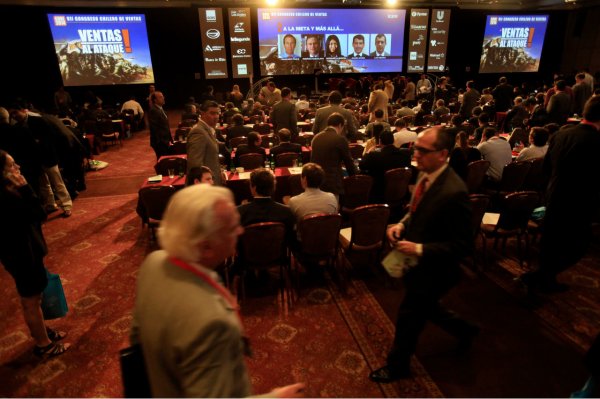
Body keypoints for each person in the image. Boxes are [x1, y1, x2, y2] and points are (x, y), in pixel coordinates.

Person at [130, 184, 304, 397]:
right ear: (205, 247)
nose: (240, 231)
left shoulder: (153, 263)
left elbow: (137, 339)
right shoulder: (211, 323)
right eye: (231, 228)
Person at [369, 127, 476, 383]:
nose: (414, 154)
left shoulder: (454, 192)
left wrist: (418, 249)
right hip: (418, 261)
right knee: (427, 309)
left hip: (436, 269)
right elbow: (416, 210)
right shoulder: (427, 173)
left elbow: (463, 245)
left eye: (421, 150)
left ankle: (398, 366)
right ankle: (466, 330)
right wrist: (402, 224)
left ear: (442, 154)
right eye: (415, 147)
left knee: (408, 317)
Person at [519, 96, 600, 294]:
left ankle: (542, 277)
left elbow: (546, 169)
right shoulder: (596, 141)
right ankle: (543, 277)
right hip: (579, 203)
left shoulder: (560, 135)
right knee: (576, 245)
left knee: (551, 243)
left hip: (554, 195)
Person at [0, 150, 70, 358]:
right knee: (31, 300)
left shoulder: (6, 190)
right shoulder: (5, 197)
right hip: (22, 255)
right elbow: (39, 214)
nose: (18, 168)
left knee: (35, 298)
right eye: (12, 165)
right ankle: (43, 345)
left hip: (23, 252)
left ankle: (42, 331)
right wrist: (25, 188)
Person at [9, 101, 73, 217]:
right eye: (11, 114)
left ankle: (67, 205)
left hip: (48, 156)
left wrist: (38, 143)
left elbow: (51, 138)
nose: (14, 116)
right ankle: (51, 204)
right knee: (44, 185)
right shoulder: (16, 127)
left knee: (57, 182)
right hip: (34, 160)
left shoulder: (39, 120)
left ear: (23, 110)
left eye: (15, 112)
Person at [237, 168, 296, 242]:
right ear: (273, 187)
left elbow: (237, 242)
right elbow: (291, 240)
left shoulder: (239, 212)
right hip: (278, 253)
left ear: (254, 188)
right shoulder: (286, 211)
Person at [310, 113, 357, 200]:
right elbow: (348, 162)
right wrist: (355, 176)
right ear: (340, 125)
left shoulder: (316, 137)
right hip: (332, 183)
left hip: (316, 181)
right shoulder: (340, 139)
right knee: (333, 210)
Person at [359, 130, 411, 203]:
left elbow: (361, 165)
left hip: (379, 195)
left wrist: (368, 152)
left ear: (380, 142)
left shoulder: (374, 156)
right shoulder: (406, 153)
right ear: (393, 141)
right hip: (401, 192)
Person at [187, 101, 223, 186]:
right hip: (204, 187)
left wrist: (219, 172)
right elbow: (195, 166)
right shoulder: (198, 132)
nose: (216, 117)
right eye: (212, 113)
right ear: (202, 114)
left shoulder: (208, 130)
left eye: (217, 113)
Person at [148, 91, 173, 160]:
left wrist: (170, 139)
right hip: (160, 142)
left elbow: (165, 127)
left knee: (165, 160)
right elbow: (154, 128)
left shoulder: (161, 109)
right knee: (163, 161)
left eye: (163, 96)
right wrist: (161, 142)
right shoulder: (154, 110)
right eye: (161, 97)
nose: (163, 98)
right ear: (155, 100)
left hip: (165, 141)